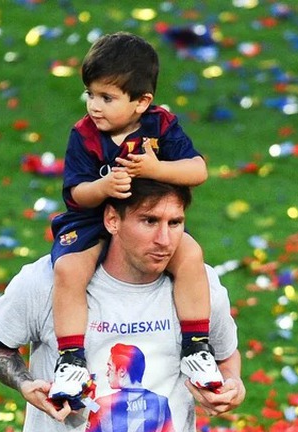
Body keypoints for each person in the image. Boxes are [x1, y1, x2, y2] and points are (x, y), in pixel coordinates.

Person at [0, 178, 245, 432]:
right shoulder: (49, 281)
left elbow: (224, 356)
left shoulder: (199, 286)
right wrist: (25, 384)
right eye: (149, 221)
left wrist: (232, 386)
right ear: (113, 220)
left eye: (175, 223)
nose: (165, 239)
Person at [49, 31, 219, 407]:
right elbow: (76, 192)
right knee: (69, 270)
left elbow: (198, 171)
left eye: (107, 98)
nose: (95, 106)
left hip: (146, 221)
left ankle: (195, 348)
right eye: (91, 94)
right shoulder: (84, 135)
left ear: (142, 102)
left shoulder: (161, 127)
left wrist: (158, 168)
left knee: (190, 255)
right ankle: (71, 359)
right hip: (93, 220)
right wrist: (104, 185)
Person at [84, 343, 175, 432]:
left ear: (122, 371)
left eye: (110, 368)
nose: (107, 373)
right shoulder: (161, 402)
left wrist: (83, 397)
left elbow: (83, 402)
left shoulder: (101, 404)